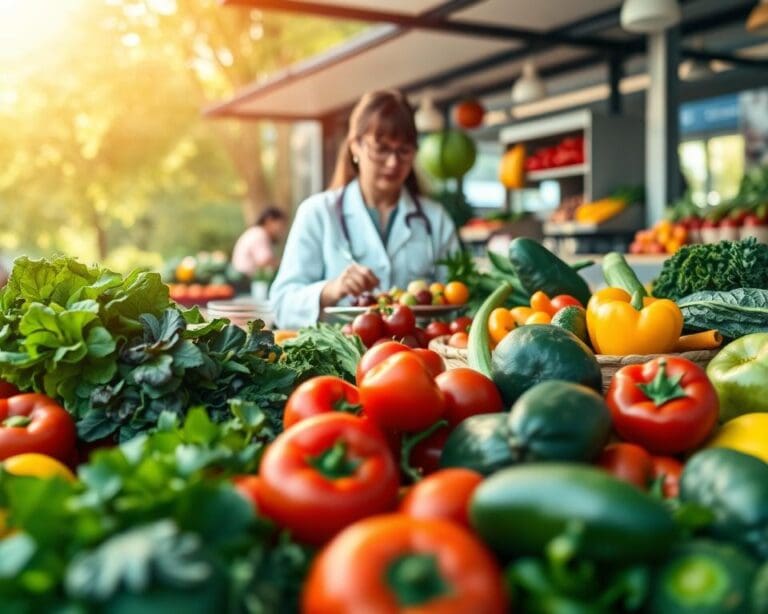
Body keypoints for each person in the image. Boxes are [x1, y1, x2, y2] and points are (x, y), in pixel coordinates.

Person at [270, 89, 460, 329]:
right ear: (355, 146)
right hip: (339, 360)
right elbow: (281, 305)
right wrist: (331, 289)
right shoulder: (318, 213)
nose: (393, 163)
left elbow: (456, 300)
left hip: (416, 358)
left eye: (403, 151)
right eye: (381, 149)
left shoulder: (435, 219)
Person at [231, 207, 287, 278]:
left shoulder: (256, 232)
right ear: (269, 220)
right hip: (244, 279)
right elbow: (265, 261)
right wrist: (286, 263)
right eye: (281, 225)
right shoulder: (259, 234)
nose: (281, 230)